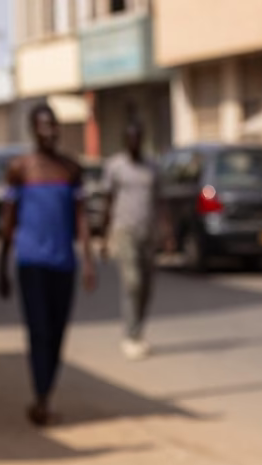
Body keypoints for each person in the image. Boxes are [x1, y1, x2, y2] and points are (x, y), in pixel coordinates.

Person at [0, 103, 96, 425]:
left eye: (53, 125)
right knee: (38, 330)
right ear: (33, 130)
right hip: (31, 263)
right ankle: (40, 398)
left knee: (56, 333)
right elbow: (8, 221)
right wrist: (2, 266)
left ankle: (46, 392)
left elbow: (81, 217)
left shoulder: (71, 169)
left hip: (63, 264)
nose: (49, 132)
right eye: (43, 125)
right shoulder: (20, 169)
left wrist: (89, 259)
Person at [101, 120, 158, 360]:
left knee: (146, 286)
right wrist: (104, 237)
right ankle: (130, 335)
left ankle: (139, 329)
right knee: (132, 282)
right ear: (125, 141)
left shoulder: (152, 167)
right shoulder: (115, 167)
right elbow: (108, 201)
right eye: (130, 138)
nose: (134, 143)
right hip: (124, 231)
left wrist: (166, 232)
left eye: (138, 138)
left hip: (148, 232)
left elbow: (160, 201)